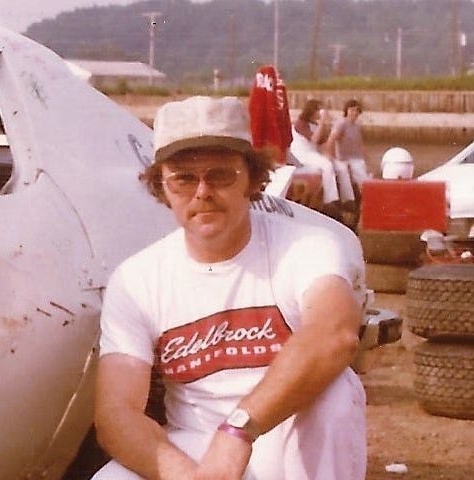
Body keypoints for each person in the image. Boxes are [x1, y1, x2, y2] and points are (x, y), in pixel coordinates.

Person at [93, 96, 365, 479]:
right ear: (162, 187)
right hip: (193, 445)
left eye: (220, 175)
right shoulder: (137, 278)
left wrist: (237, 430)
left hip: (280, 435)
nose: (202, 191)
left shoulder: (308, 246)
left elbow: (335, 335)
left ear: (253, 179)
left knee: (335, 397)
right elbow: (115, 413)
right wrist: (186, 476)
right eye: (184, 178)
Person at [325, 99, 369, 208]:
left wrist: (367, 161)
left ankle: (365, 202)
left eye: (357, 111)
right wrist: (331, 156)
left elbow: (361, 144)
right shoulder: (341, 123)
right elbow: (331, 140)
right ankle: (350, 201)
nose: (354, 113)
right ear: (346, 110)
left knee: (364, 178)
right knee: (352, 175)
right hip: (344, 158)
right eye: (352, 110)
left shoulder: (357, 126)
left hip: (357, 158)